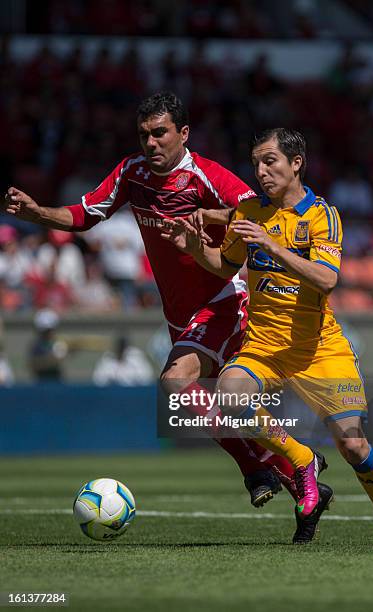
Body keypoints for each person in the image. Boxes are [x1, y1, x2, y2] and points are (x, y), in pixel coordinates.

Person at [2, 92, 328, 542]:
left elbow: (262, 213)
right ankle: (299, 475)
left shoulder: (205, 176)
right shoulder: (131, 173)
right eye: (144, 135)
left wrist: (207, 216)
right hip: (181, 313)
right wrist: (37, 212)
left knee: (176, 384)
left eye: (160, 133)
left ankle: (261, 467)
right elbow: (85, 214)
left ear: (183, 134)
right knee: (209, 400)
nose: (151, 143)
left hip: (224, 299)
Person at [164, 127, 373, 546]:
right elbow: (225, 265)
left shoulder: (322, 215)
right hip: (263, 345)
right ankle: (302, 459)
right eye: (256, 162)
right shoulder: (249, 214)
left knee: (352, 445)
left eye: (270, 161)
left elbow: (327, 279)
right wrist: (193, 248)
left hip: (319, 348)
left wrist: (274, 247)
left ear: (296, 163)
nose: (260, 171)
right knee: (229, 394)